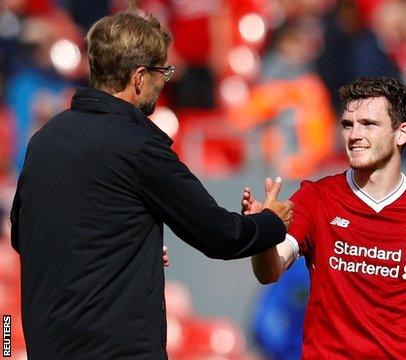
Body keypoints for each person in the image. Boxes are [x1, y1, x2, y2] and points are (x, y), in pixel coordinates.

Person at [10, 11, 292, 359]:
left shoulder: (45, 139)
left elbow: (25, 236)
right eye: (163, 72)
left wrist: (122, 246)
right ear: (140, 77)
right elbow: (219, 234)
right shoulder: (138, 146)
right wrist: (272, 222)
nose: (166, 82)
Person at [243, 77, 406, 358]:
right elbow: (269, 273)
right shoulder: (316, 197)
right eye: (348, 125)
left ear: (401, 133)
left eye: (369, 124)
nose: (354, 135)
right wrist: (263, 234)